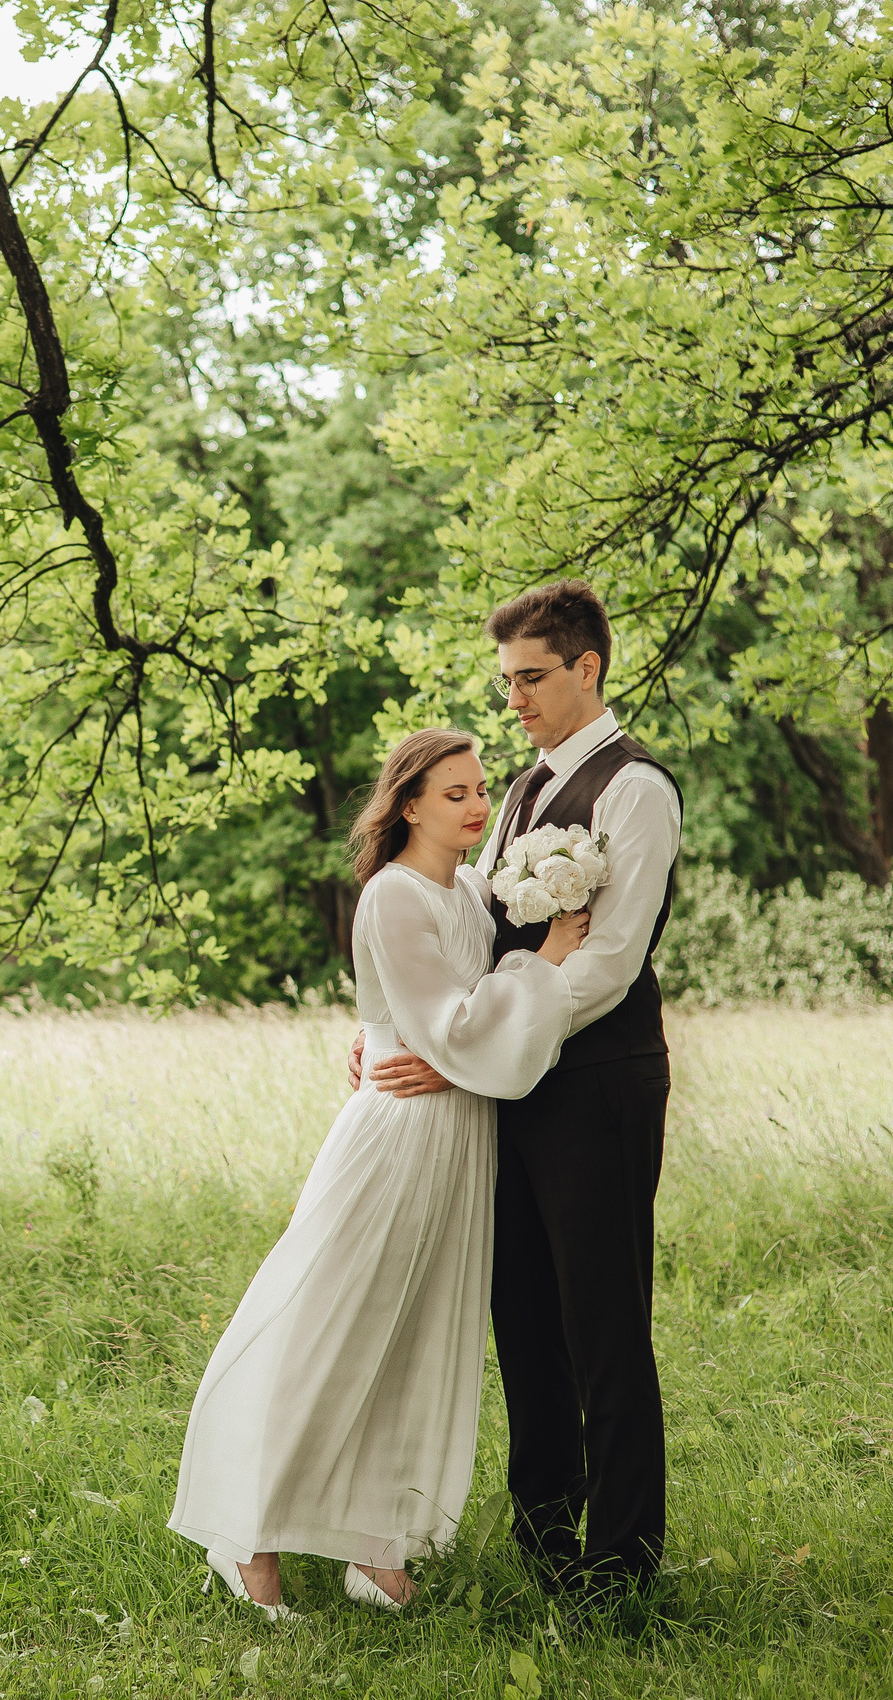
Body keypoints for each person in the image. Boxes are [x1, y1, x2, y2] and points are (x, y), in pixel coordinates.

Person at [169, 727, 590, 1619]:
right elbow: (447, 1026)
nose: (477, 805)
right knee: (331, 1327)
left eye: (480, 789)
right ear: (406, 805)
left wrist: (457, 1038)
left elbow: (460, 1024)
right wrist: (547, 960)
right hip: (398, 1132)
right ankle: (246, 1532)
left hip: (461, 1138)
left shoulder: (473, 889)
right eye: (453, 793)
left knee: (417, 1333)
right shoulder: (392, 897)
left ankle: (376, 1542)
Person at [354, 579, 683, 1598]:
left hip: (596, 1083)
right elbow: (464, 938)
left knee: (602, 1326)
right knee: (526, 1321)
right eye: (506, 682)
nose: (515, 701)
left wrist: (487, 1040)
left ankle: (620, 1566)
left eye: (532, 678)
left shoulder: (635, 789)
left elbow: (608, 961)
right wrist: (403, 1033)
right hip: (509, 1087)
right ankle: (545, 1544)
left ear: (588, 668)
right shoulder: (522, 794)